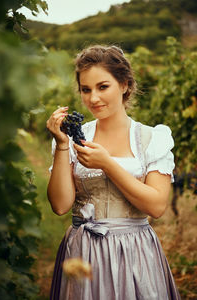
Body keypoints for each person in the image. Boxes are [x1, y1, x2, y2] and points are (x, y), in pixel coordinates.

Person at [46, 45, 181, 300]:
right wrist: (63, 146)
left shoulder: (152, 138)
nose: (93, 98)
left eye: (102, 86)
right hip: (83, 252)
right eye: (86, 89)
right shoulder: (74, 138)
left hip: (134, 252)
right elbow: (61, 205)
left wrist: (107, 164)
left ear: (125, 85)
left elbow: (157, 206)